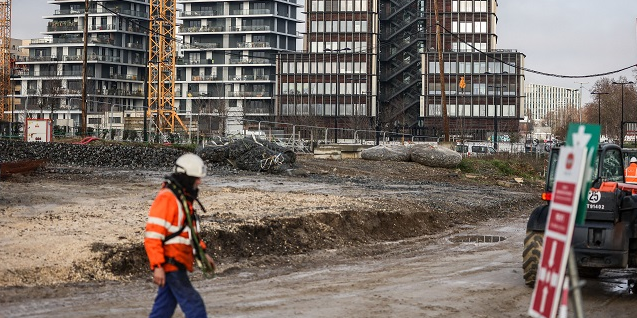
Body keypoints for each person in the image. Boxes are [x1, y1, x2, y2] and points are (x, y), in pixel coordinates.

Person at [145, 153, 216, 318]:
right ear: (186, 177)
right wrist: (158, 267)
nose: (199, 181)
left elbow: (189, 232)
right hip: (171, 264)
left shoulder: (182, 198)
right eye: (196, 178)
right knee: (195, 305)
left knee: (163, 309)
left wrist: (202, 253)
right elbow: (153, 237)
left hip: (177, 262)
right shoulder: (168, 198)